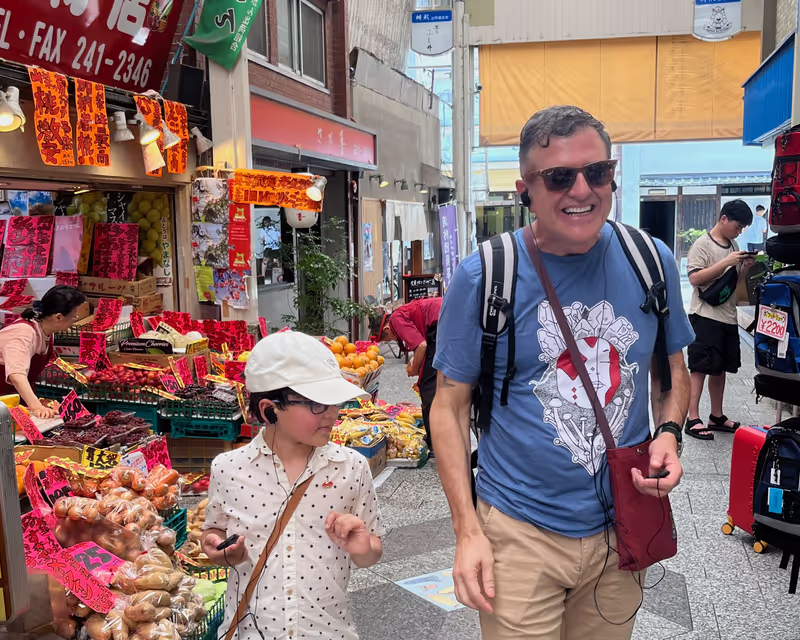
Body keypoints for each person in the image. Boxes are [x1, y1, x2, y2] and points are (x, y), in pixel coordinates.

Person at [431, 105, 695, 640]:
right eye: (559, 177)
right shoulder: (485, 275)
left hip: (621, 526)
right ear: (525, 187)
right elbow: (449, 405)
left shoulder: (651, 260)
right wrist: (466, 530)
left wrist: (669, 434)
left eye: (597, 172)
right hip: (518, 530)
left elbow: (672, 375)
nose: (582, 190)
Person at [200, 330, 384, 640]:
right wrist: (217, 548)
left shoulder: (350, 468)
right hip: (250, 632)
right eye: (316, 405)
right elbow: (214, 531)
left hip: (328, 632)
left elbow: (371, 550)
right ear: (269, 410)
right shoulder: (228, 469)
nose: (332, 415)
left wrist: (364, 547)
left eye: (334, 403)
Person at [684, 200, 755, 440]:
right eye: (738, 225)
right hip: (704, 315)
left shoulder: (733, 244)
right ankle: (692, 417)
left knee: (720, 368)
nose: (740, 230)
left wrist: (744, 268)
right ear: (723, 218)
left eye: (743, 227)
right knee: (700, 367)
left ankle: (716, 415)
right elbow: (695, 278)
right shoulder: (702, 245)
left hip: (727, 316)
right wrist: (727, 262)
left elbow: (734, 282)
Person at [370, 296, 443, 453]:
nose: (393, 340)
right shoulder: (403, 313)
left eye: (388, 338)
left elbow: (422, 346)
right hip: (447, 319)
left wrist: (415, 368)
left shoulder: (396, 319)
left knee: (427, 386)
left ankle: (434, 443)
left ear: (386, 330)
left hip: (440, 324)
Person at [0, 285, 85, 418]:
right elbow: (16, 375)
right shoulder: (23, 332)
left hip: (15, 401)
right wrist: (36, 406)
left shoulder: (46, 332)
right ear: (58, 317)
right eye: (73, 316)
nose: (75, 320)